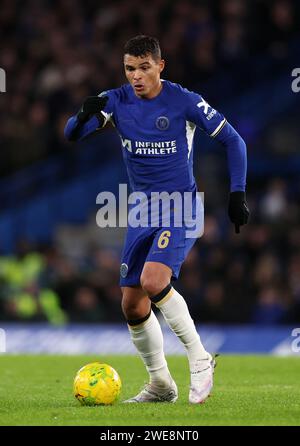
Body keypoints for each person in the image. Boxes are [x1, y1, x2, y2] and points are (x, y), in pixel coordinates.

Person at [64, 35, 249, 403]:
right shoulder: (116, 100)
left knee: (153, 280)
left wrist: (237, 194)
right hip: (141, 211)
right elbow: (73, 135)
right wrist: (82, 115)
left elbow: (235, 141)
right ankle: (161, 385)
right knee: (131, 304)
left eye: (144, 67)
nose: (136, 76)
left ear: (160, 66)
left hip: (180, 205)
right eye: (130, 68)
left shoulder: (184, 101)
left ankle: (199, 359)